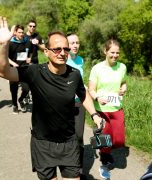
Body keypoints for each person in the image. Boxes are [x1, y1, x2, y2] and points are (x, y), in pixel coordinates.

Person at [0, 16, 103, 180]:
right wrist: (3, 44)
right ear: (46, 52)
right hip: (43, 144)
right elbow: (3, 72)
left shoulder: (75, 74)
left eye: (66, 49)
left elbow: (83, 93)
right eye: (57, 49)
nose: (62, 53)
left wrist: (94, 114)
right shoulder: (35, 72)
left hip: (69, 143)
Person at [88, 39, 127, 179]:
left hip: (117, 109)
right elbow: (91, 90)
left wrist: (124, 88)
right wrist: (97, 97)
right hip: (102, 110)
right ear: (105, 51)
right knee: (106, 139)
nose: (115, 55)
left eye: (117, 53)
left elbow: (123, 82)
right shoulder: (97, 68)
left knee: (119, 141)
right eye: (112, 52)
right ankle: (104, 164)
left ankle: (104, 148)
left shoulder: (122, 67)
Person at [66, 34, 86, 177]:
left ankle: (79, 169)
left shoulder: (80, 60)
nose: (75, 45)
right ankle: (68, 167)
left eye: (77, 42)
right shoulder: (61, 59)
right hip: (63, 104)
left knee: (79, 135)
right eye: (72, 43)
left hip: (79, 102)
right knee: (66, 135)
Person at [8, 24, 32, 114]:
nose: (21, 34)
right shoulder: (11, 43)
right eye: (19, 32)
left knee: (26, 88)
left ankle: (21, 99)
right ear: (15, 33)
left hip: (24, 69)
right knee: (14, 89)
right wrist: (13, 63)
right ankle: (14, 105)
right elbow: (6, 57)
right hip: (13, 69)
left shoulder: (27, 41)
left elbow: (30, 52)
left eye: (22, 32)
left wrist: (29, 57)